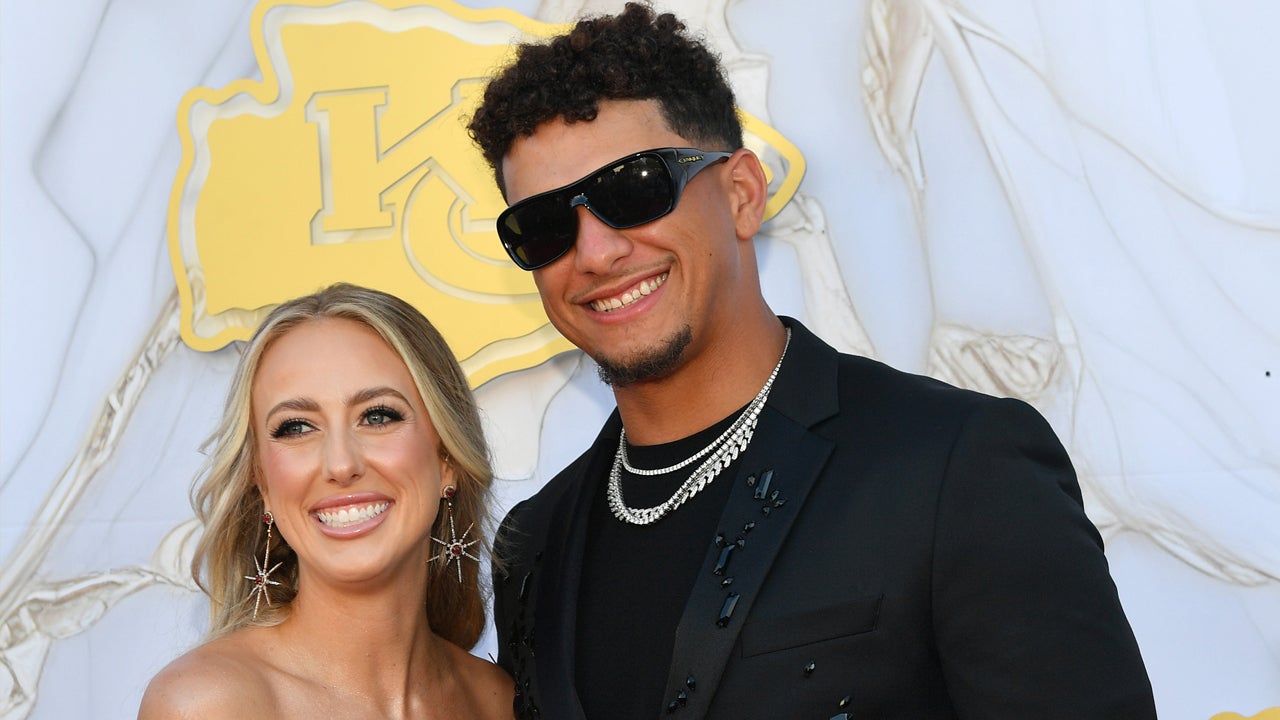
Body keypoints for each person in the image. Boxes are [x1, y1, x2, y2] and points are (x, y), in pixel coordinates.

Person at [467, 3, 1156, 718]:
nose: (596, 252)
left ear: (742, 193)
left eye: (634, 190)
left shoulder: (955, 466)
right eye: (545, 225)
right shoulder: (534, 544)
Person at [138, 283, 513, 719]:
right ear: (261, 482)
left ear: (446, 457)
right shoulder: (208, 704)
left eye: (377, 416)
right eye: (296, 427)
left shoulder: (498, 701)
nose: (340, 464)